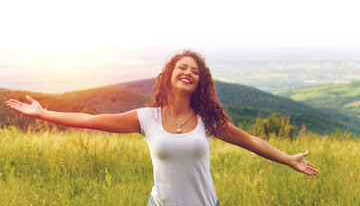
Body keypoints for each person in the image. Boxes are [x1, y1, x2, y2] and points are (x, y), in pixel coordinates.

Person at [6, 49, 319, 206]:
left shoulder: (208, 121)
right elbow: (90, 121)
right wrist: (45, 114)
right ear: (170, 75)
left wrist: (289, 159)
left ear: (200, 82)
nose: (187, 72)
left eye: (194, 71)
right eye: (181, 67)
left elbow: (251, 140)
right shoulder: (147, 118)